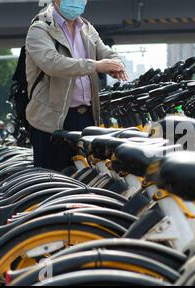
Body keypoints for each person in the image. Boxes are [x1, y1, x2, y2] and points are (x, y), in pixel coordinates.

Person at [25, 0, 129, 171]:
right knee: (55, 184)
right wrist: (95, 66)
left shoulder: (86, 27)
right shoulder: (40, 28)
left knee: (88, 183)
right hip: (52, 121)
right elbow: (52, 63)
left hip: (86, 118)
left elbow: (106, 52)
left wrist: (116, 65)